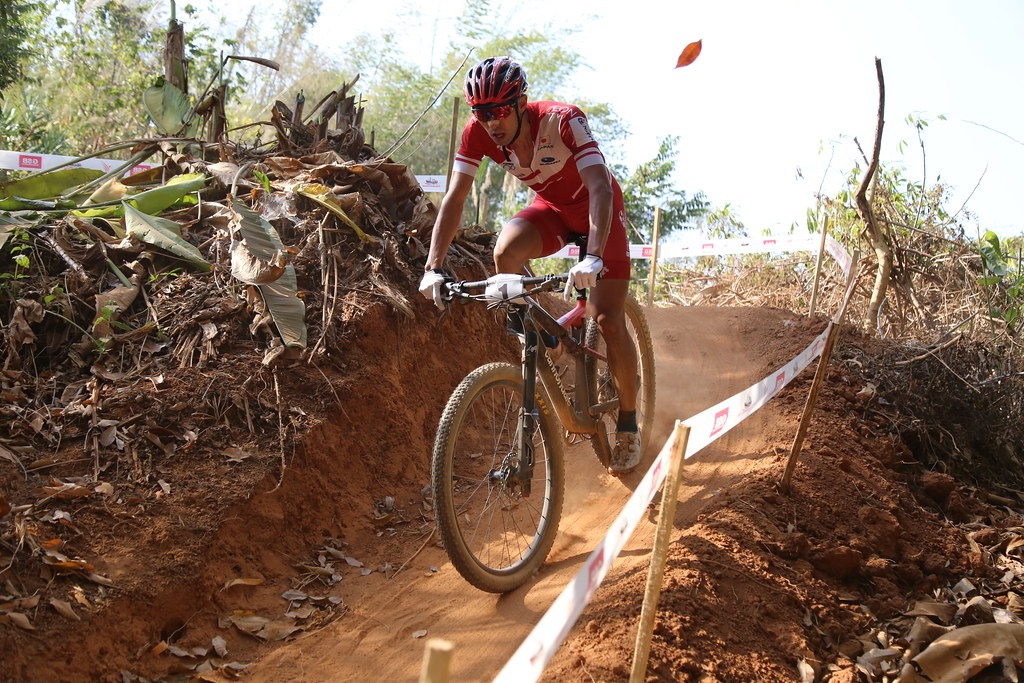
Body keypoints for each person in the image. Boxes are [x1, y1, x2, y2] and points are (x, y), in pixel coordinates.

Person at [417, 56, 642, 475]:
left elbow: (599, 186)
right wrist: (433, 265)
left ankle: (629, 422)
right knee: (505, 254)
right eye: (482, 113)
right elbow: (456, 197)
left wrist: (593, 253)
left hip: (598, 213)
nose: (492, 122)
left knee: (609, 319)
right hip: (553, 209)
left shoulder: (563, 120)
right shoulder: (477, 134)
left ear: (521, 102)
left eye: (501, 110)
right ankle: (548, 338)